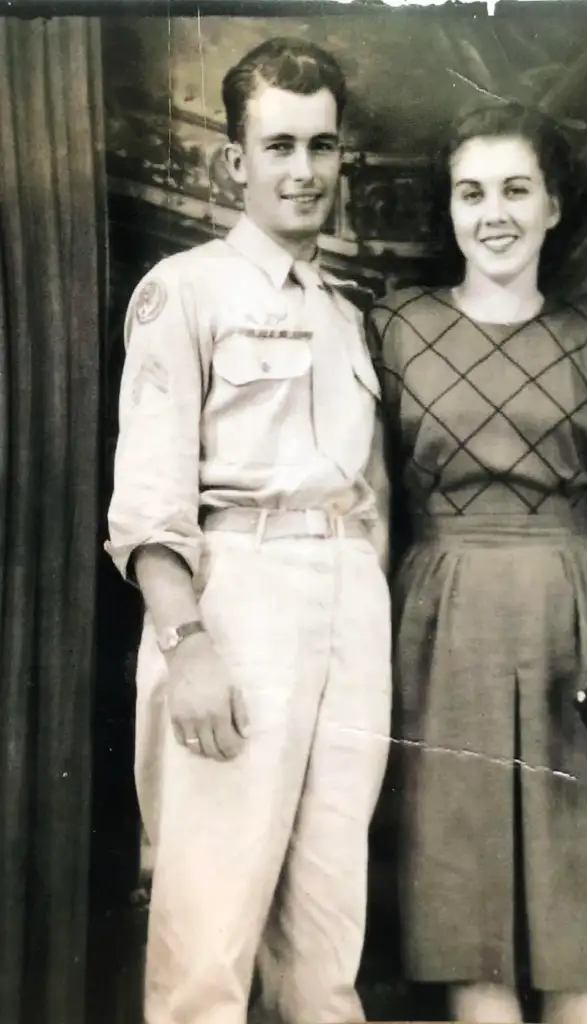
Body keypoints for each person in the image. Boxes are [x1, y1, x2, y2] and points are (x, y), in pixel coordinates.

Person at [369, 100, 587, 1024]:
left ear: (553, 205)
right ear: (448, 209)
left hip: (578, 632)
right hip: (440, 640)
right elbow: (370, 509)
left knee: (584, 928)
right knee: (463, 916)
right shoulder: (393, 332)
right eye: (471, 192)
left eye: (516, 189)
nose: (494, 213)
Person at [105, 37, 391, 1024]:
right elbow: (148, 495)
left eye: (320, 145)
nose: (302, 171)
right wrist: (185, 643)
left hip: (351, 600)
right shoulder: (183, 291)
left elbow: (371, 491)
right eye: (278, 146)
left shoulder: (348, 317)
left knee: (326, 938)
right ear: (236, 160)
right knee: (207, 943)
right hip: (237, 597)